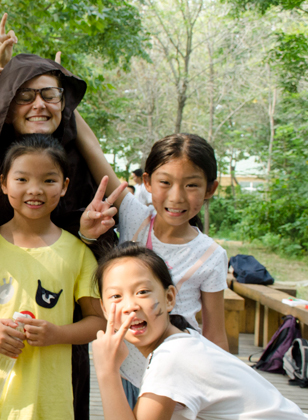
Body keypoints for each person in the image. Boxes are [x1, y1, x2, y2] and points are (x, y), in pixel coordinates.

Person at [0, 52, 115, 419]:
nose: (38, 105)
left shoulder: (75, 159)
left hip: (55, 354)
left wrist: (86, 235)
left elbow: (102, 236)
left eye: (50, 95)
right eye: (25, 94)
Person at [77, 130, 229, 398]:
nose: (176, 197)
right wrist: (61, 91)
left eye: (191, 185)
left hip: (177, 378)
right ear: (147, 181)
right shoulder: (135, 217)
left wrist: (223, 393)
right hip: (126, 370)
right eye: (165, 182)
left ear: (211, 189)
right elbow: (92, 148)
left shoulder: (211, 254)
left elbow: (215, 334)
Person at [91, 243, 308, 420]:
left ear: (169, 298)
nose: (130, 306)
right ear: (103, 308)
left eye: (142, 292)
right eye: (116, 297)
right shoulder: (183, 340)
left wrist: (107, 370)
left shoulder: (171, 358)